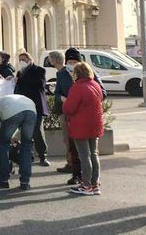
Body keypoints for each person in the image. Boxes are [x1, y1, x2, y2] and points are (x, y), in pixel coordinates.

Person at [63, 61, 105, 195]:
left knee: (84, 156)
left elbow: (69, 108)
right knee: (94, 154)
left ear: (77, 74)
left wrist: (64, 102)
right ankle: (95, 184)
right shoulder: (95, 84)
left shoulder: (77, 87)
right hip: (95, 123)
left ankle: (86, 185)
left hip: (81, 125)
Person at [0, 93, 37, 190]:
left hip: (12, 111)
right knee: (26, 145)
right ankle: (25, 182)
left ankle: (3, 179)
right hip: (31, 109)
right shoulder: (4, 100)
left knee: (3, 145)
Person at [14, 51, 50, 166]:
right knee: (25, 132)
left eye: (24, 59)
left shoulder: (39, 70)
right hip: (23, 106)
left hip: (36, 106)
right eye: (20, 60)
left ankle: (43, 156)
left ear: (30, 60)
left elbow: (39, 83)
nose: (22, 62)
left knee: (37, 131)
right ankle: (28, 155)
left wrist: (19, 80)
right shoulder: (19, 73)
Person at [56, 48, 82, 185]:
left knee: (83, 144)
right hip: (66, 111)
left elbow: (102, 92)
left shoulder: (87, 73)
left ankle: (86, 173)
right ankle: (71, 164)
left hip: (82, 113)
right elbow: (57, 92)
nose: (72, 64)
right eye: (69, 62)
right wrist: (61, 98)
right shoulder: (61, 74)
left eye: (74, 62)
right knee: (68, 140)